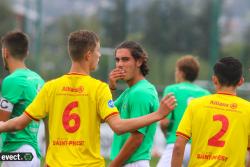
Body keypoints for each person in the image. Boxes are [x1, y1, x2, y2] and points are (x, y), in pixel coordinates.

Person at [0, 30, 176, 167]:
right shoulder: (98, 89)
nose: (100, 56)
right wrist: (158, 114)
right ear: (88, 55)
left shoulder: (51, 87)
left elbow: (18, 123)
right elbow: (119, 127)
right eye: (98, 51)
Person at [171, 57, 250, 166]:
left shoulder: (196, 104)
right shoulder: (248, 110)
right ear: (241, 81)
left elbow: (178, 146)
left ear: (214, 80)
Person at [108, 41, 159, 167]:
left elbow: (136, 139)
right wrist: (111, 88)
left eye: (125, 60)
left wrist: (113, 165)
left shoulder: (140, 92)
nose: (120, 64)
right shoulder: (130, 92)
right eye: (117, 60)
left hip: (133, 162)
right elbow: (106, 114)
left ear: (139, 62)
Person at [0, 31, 44, 166]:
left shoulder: (12, 80)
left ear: (5, 52)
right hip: (33, 154)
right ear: (27, 53)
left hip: (16, 154)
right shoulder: (39, 80)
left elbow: (1, 121)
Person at [157, 55, 210, 167]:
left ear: (181, 72)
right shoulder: (206, 94)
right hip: (198, 148)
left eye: (176, 70)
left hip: (176, 144)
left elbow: (164, 122)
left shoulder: (171, 90)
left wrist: (168, 136)